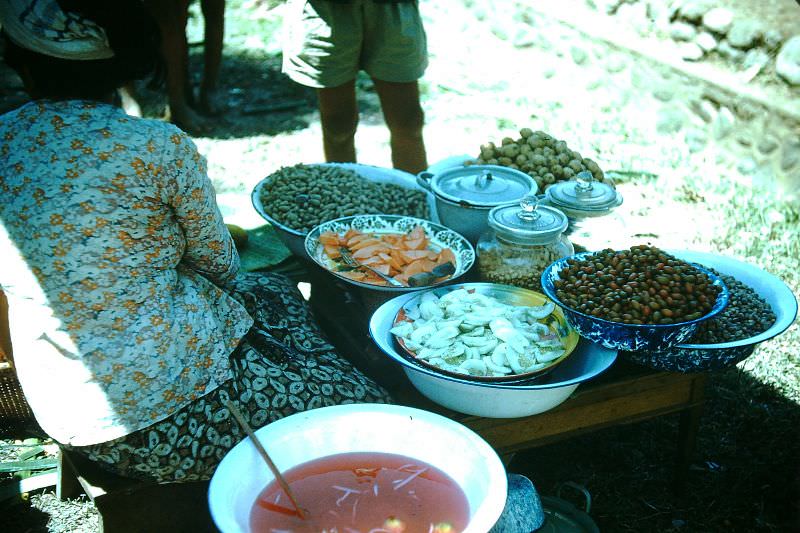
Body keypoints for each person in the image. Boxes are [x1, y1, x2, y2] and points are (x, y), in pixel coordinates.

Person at [0, 0, 388, 483]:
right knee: (372, 414)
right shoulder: (157, 146)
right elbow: (219, 266)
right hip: (158, 422)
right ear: (126, 66)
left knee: (277, 293)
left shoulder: (4, 136)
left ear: (20, 63)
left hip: (62, 403)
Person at [282, 0, 429, 174]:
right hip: (327, 11)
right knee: (337, 127)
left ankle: (415, 195)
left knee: (408, 123)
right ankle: (344, 194)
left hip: (392, 8)